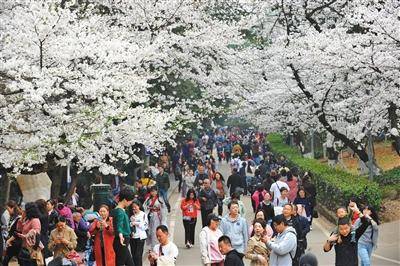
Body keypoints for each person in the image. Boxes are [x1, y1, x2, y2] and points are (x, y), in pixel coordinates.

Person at [111, 187, 135, 266]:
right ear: (125, 200)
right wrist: (121, 235)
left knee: (129, 263)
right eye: (130, 201)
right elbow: (119, 224)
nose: (131, 203)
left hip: (122, 240)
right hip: (122, 240)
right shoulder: (120, 211)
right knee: (120, 263)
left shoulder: (118, 209)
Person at [129, 200, 148, 266]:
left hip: (140, 237)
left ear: (139, 206)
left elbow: (145, 227)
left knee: (138, 255)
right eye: (133, 207)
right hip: (133, 237)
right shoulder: (131, 216)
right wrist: (131, 223)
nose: (134, 208)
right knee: (133, 255)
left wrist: (136, 223)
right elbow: (130, 226)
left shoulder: (143, 214)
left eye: (135, 206)